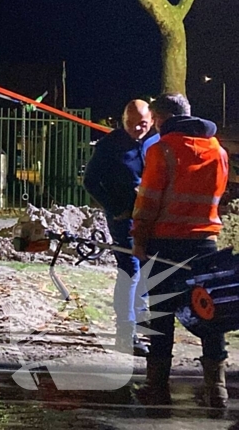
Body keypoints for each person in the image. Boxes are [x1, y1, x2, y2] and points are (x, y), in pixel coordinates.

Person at [133, 93, 229, 407]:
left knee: (161, 315)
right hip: (205, 243)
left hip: (165, 244)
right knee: (210, 312)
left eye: (156, 121)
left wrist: (139, 240)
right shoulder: (218, 151)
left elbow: (147, 203)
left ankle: (157, 385)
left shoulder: (162, 150)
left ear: (165, 118)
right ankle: (217, 387)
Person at [82, 99, 158, 357]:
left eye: (143, 124)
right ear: (123, 121)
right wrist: (115, 208)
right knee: (130, 270)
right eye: (131, 124)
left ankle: (141, 324)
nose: (138, 128)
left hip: (150, 218)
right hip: (123, 218)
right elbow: (91, 181)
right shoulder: (109, 146)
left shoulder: (155, 142)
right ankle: (125, 334)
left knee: (146, 270)